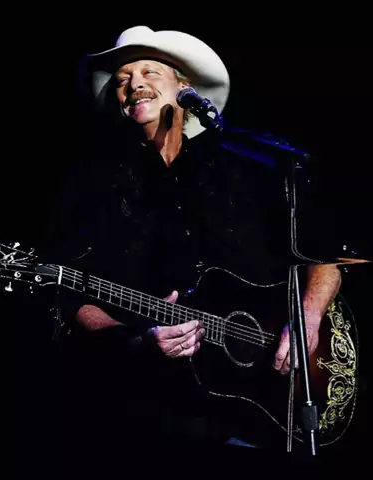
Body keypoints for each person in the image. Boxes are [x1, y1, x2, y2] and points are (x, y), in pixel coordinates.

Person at [42, 26, 343, 456]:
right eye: (123, 79)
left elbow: (322, 255)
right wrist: (136, 339)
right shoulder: (92, 184)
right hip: (155, 416)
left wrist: (307, 320)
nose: (134, 84)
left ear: (186, 88)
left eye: (149, 71)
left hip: (263, 410)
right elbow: (70, 292)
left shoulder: (246, 167)